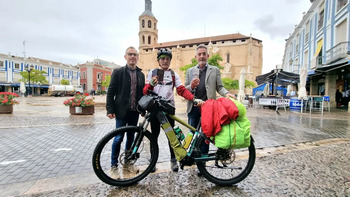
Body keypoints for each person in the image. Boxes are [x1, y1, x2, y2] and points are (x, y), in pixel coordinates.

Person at [143, 48, 201, 172]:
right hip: (155, 110)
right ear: (158, 61)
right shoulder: (152, 73)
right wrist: (150, 85)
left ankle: (173, 159)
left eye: (167, 59)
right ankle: (153, 161)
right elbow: (145, 91)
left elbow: (181, 90)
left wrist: (193, 98)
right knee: (154, 137)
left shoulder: (174, 75)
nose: (165, 61)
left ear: (170, 61)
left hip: (168, 110)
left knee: (172, 137)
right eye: (162, 59)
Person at [185, 44, 236, 160]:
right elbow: (184, 89)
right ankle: (192, 157)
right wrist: (191, 86)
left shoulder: (215, 70)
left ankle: (202, 161)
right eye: (199, 54)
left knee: (206, 135)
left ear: (208, 56)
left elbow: (220, 87)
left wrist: (227, 94)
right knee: (192, 134)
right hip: (193, 108)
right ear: (196, 57)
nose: (202, 56)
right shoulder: (190, 71)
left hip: (208, 109)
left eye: (204, 54)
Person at [106, 46, 145, 179]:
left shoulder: (141, 74)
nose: (132, 57)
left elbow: (141, 94)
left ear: (138, 57)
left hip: (134, 112)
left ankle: (128, 163)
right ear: (125, 57)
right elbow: (111, 92)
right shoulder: (118, 72)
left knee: (131, 138)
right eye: (130, 54)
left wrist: (143, 110)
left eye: (135, 54)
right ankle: (113, 166)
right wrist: (110, 109)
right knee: (118, 138)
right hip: (121, 111)